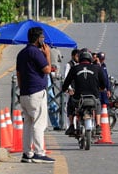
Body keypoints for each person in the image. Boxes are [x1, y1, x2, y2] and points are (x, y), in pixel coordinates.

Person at [15, 26, 55, 163]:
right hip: (37, 93)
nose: (43, 40)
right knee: (39, 123)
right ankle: (39, 152)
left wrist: (22, 89)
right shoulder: (36, 53)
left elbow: (18, 74)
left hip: (25, 93)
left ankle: (27, 153)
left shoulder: (21, 53)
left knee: (28, 124)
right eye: (42, 38)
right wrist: (47, 55)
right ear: (38, 39)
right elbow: (47, 69)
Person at [61, 49, 106, 136]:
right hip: (93, 98)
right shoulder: (97, 68)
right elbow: (103, 83)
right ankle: (98, 125)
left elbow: (66, 83)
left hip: (78, 98)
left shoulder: (74, 68)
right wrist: (102, 88)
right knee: (98, 105)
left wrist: (65, 89)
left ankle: (71, 125)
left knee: (70, 104)